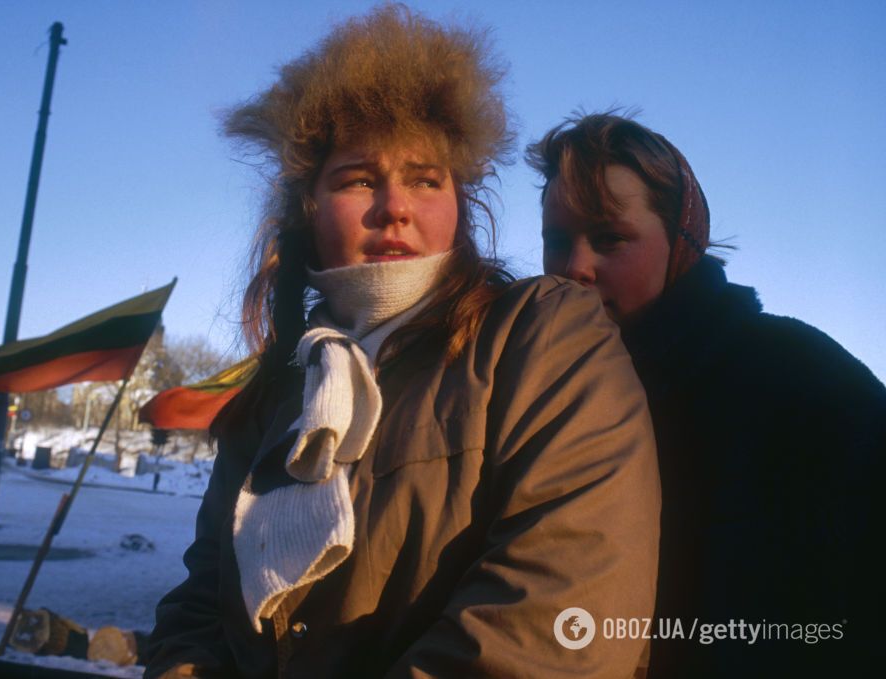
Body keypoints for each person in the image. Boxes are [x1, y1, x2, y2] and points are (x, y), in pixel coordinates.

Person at [146, 9, 661, 679]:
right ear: (306, 207)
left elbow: (562, 620)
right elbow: (198, 604)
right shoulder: (278, 393)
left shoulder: (542, 336)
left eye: (425, 178)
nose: (395, 205)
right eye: (359, 178)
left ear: (461, 203)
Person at [526, 112, 886, 678]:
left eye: (610, 238)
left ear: (682, 243)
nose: (575, 268)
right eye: (556, 240)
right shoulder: (537, 400)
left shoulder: (801, 379)